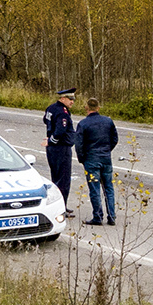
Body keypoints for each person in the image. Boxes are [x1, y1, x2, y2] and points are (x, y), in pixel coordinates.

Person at [75, 96, 118, 225]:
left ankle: (98, 216)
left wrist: (82, 159)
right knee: (108, 188)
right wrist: (107, 150)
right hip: (105, 158)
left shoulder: (83, 124)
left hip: (91, 159)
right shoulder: (108, 121)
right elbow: (115, 138)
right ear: (98, 108)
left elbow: (79, 144)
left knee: (94, 189)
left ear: (86, 108)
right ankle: (111, 216)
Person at [42, 86, 77, 214]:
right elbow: (60, 131)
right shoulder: (63, 112)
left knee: (55, 177)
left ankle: (57, 206)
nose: (72, 101)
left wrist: (50, 140)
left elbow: (45, 120)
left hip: (52, 149)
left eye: (73, 99)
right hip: (61, 148)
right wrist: (52, 140)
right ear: (62, 98)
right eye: (70, 99)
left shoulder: (51, 108)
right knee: (63, 180)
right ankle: (61, 207)